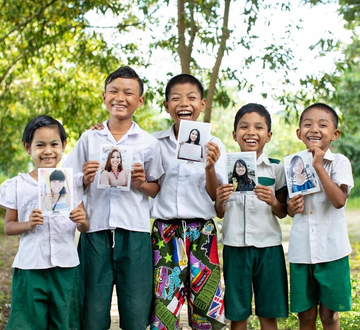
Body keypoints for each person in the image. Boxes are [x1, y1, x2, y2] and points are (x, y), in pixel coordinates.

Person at [62, 66, 164, 330]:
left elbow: (155, 188)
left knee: (136, 311)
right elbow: (69, 183)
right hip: (95, 232)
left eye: (129, 93)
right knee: (92, 313)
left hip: (135, 234)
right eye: (114, 91)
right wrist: (84, 178)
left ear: (139, 101)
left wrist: (141, 183)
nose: (121, 97)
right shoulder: (89, 138)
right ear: (104, 97)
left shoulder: (147, 142)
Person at [0, 115, 89, 330]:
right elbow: (9, 226)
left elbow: (84, 226)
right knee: (27, 323)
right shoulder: (18, 185)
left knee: (65, 323)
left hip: (66, 267)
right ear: (27, 147)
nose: (48, 151)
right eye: (40, 145)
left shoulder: (73, 183)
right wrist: (28, 224)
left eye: (54, 144)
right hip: (30, 267)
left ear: (63, 146)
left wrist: (81, 221)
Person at [150, 74, 226, 330]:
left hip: (202, 232)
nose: (184, 103)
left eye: (192, 98)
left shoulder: (215, 145)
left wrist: (210, 167)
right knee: (164, 311)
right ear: (166, 105)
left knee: (206, 313)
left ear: (202, 104)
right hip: (166, 233)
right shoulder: (155, 144)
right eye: (176, 98)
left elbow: (216, 197)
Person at [215, 103, 289, 330]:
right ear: (235, 134)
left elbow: (283, 211)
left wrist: (273, 201)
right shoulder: (224, 170)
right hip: (235, 246)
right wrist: (219, 199)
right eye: (244, 127)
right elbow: (219, 212)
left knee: (269, 313)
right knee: (237, 314)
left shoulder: (276, 168)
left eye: (259, 127)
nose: (251, 132)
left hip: (269, 247)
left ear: (268, 135)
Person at [287, 103, 354, 330]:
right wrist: (291, 207)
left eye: (322, 125)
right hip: (301, 252)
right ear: (299, 133)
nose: (314, 129)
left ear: (334, 134)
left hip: (332, 251)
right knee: (305, 316)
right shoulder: (292, 164)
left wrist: (318, 166)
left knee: (329, 315)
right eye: (307, 124)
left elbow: (339, 201)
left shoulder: (340, 162)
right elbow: (288, 207)